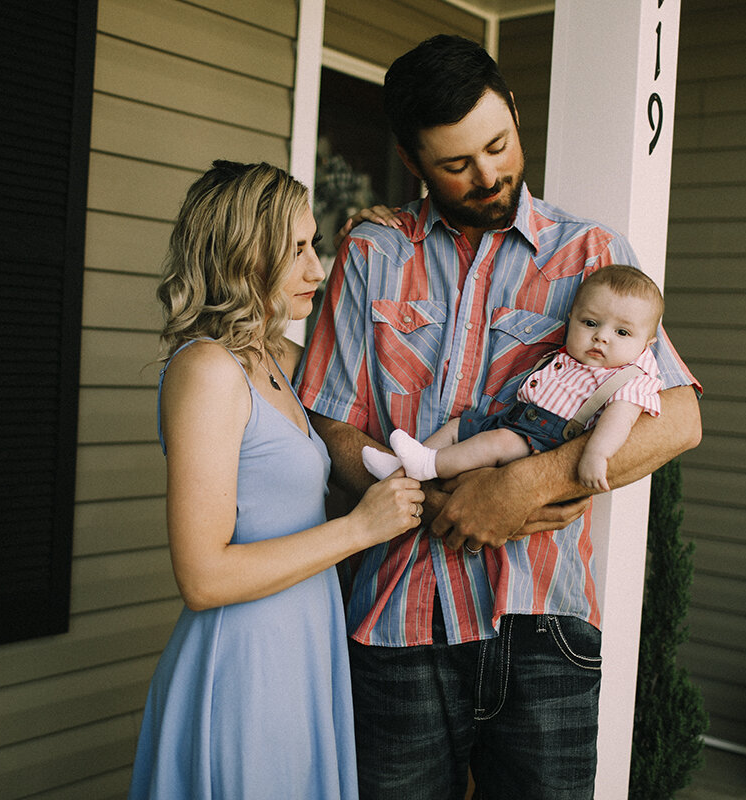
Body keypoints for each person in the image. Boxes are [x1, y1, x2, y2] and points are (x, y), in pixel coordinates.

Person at [296, 36, 702, 799]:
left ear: (514, 113)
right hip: (395, 619)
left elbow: (678, 419)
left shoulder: (593, 254)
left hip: (542, 623)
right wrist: (423, 505)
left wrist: (518, 488)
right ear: (411, 161)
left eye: (499, 145)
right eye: (457, 164)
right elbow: (333, 420)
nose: (490, 176)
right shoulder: (372, 253)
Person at [128, 160, 425, 800]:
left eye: (314, 246)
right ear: (241, 256)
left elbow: (356, 340)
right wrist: (358, 529)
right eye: (295, 250)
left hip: (304, 652)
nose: (314, 268)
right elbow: (203, 578)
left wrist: (376, 242)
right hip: (244, 665)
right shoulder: (207, 370)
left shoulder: (277, 359)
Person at [362, 264, 665, 494]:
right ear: (571, 318)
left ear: (647, 344)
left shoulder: (630, 379)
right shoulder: (571, 355)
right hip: (515, 421)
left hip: (547, 441)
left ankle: (427, 466)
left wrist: (597, 454)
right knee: (458, 427)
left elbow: (619, 421)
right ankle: (402, 472)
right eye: (590, 323)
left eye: (622, 332)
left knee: (498, 442)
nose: (601, 336)